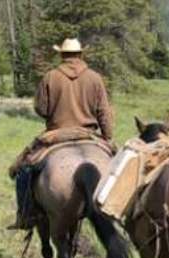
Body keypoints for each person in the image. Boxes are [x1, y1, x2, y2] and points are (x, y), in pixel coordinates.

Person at [7, 38, 114, 230]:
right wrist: (107, 137)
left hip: (55, 134)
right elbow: (104, 112)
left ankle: (24, 214)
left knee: (24, 168)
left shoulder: (50, 77)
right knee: (120, 167)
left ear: (62, 55)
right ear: (81, 54)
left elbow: (42, 109)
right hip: (88, 134)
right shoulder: (94, 78)